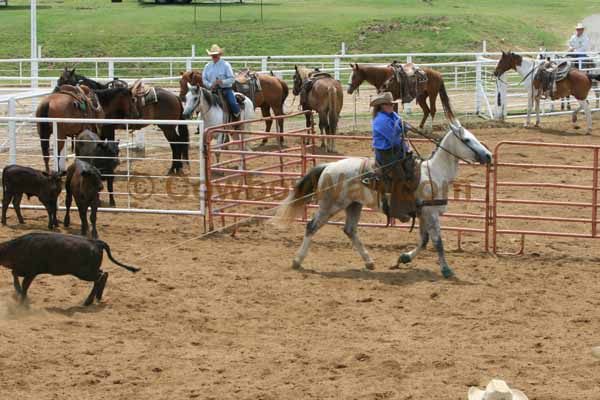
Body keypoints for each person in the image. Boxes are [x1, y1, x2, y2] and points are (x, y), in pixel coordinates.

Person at [369, 92, 417, 222]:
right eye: (388, 104)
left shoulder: (392, 115)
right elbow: (393, 139)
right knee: (400, 177)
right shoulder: (380, 120)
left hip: (396, 149)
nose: (391, 106)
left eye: (391, 104)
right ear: (381, 106)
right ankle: (396, 211)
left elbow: (401, 123)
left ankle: (410, 204)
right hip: (386, 152)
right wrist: (402, 131)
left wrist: (405, 127)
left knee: (412, 166)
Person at [202, 44, 240, 119]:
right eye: (212, 55)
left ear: (219, 55)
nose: (214, 57)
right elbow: (204, 79)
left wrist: (222, 82)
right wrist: (210, 85)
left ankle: (237, 119)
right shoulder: (207, 66)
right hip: (211, 90)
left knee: (233, 103)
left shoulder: (226, 65)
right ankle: (200, 124)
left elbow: (232, 79)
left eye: (216, 55)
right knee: (201, 104)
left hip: (225, 90)